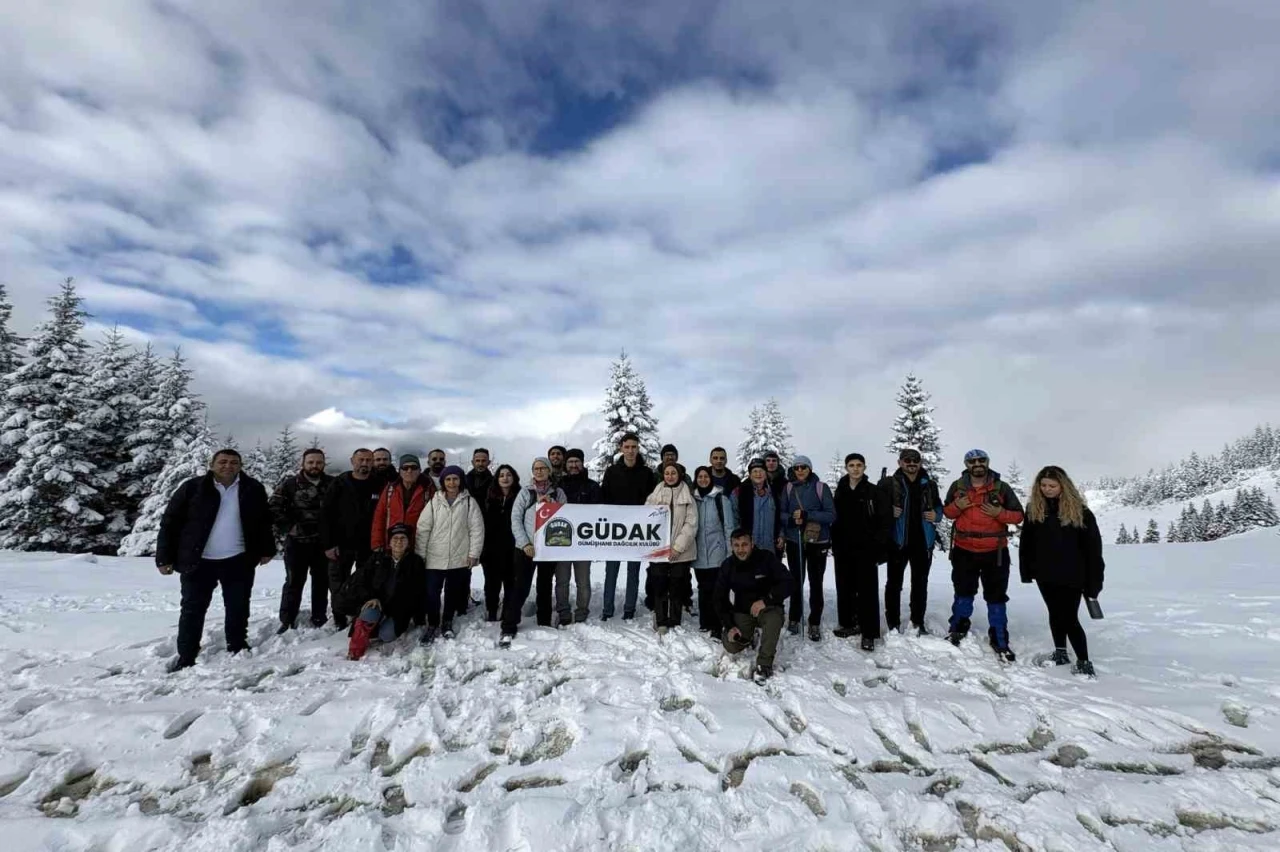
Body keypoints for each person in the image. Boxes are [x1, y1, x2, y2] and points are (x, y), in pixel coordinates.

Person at [156, 449, 276, 672]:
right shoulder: (192, 488)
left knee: (238, 606)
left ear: (240, 465)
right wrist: (164, 557)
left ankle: (237, 644)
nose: (228, 466)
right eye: (222, 462)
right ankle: (187, 654)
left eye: (234, 462)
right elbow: (170, 522)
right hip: (198, 561)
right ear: (211, 464)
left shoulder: (252, 488)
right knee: (193, 609)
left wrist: (267, 549)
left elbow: (263, 522)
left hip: (238, 559)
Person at [1019, 466, 1103, 677]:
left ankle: (1084, 662)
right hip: (1044, 574)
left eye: (1052, 486)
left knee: (1069, 617)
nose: (1047, 489)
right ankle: (1061, 652)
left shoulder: (1081, 512)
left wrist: (1094, 583)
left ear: (1063, 486)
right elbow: (1026, 543)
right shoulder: (1034, 509)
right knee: (1054, 613)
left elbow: (1093, 551)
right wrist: (1027, 570)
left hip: (1072, 575)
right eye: (1044, 485)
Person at [943, 449, 1025, 661]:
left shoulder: (1001, 488)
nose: (977, 464)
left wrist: (1000, 514)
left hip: (994, 551)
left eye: (981, 460)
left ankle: (999, 637)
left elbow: (1018, 516)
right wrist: (956, 506)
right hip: (964, 549)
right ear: (967, 464)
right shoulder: (957, 486)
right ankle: (958, 628)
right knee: (963, 591)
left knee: (996, 596)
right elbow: (947, 512)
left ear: (987, 462)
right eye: (972, 461)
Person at [502, 458, 568, 645]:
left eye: (542, 468)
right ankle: (509, 625)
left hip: (548, 548)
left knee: (545, 585)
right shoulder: (526, 492)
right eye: (535, 468)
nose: (539, 471)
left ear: (549, 471)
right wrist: (524, 544)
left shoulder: (558, 492)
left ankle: (544, 621)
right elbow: (515, 519)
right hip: (526, 549)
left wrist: (550, 504)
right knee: (520, 586)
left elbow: (565, 515)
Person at [878, 448, 944, 635]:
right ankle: (893, 623)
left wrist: (936, 515)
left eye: (915, 460)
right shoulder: (890, 483)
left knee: (920, 584)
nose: (911, 463)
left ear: (920, 463)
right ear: (900, 462)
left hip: (923, 543)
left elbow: (938, 506)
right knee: (894, 584)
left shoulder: (929, 484)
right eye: (907, 460)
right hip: (898, 543)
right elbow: (877, 506)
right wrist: (889, 511)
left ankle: (917, 621)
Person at [415, 465, 484, 642]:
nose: (452, 483)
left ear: (461, 480)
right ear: (443, 482)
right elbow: (423, 529)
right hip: (434, 557)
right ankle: (432, 624)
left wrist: (473, 553)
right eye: (448, 479)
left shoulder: (469, 502)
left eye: (455, 479)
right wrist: (420, 555)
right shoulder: (434, 502)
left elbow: (476, 529)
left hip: (458, 557)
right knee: (432, 593)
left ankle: (447, 622)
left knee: (452, 593)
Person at [339, 523, 427, 660]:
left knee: (386, 635)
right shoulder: (377, 559)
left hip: (398, 610)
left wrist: (414, 617)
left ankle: (379, 626)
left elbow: (417, 593)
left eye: (403, 538)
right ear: (389, 542)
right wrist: (370, 597)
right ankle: (356, 649)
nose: (399, 542)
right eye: (395, 538)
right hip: (376, 603)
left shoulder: (415, 563)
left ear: (409, 542)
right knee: (369, 613)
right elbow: (360, 581)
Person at [270, 447, 334, 632]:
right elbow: (273, 509)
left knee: (322, 582)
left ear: (324, 464)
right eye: (311, 462)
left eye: (319, 462)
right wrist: (290, 527)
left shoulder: (332, 484)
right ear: (303, 463)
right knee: (293, 582)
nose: (315, 466)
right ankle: (287, 619)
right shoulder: (290, 484)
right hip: (297, 543)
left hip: (323, 544)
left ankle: (319, 616)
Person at [831, 453, 891, 650]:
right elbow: (834, 519)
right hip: (843, 548)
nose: (855, 469)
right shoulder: (840, 491)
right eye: (851, 465)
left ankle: (869, 632)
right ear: (846, 468)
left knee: (867, 590)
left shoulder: (873, 491)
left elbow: (884, 521)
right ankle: (848, 623)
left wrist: (878, 547)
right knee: (845, 587)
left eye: (859, 465)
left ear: (864, 467)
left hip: (867, 548)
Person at [717, 530, 794, 681]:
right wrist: (729, 625)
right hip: (743, 611)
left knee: (773, 621)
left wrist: (766, 600)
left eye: (745, 544)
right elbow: (719, 598)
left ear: (752, 544)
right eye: (736, 545)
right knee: (731, 645)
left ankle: (764, 665)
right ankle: (749, 636)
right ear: (731, 546)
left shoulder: (766, 558)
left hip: (769, 608)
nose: (741, 549)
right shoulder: (728, 565)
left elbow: (789, 583)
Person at [321, 448, 382, 630]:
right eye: (361, 460)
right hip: (341, 544)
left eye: (368, 460)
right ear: (352, 461)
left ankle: (360, 615)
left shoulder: (378, 484)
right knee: (338, 582)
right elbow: (326, 515)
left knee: (366, 582)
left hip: (368, 544)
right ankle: (339, 616)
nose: (364, 463)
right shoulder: (339, 483)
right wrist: (329, 544)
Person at [778, 455, 836, 641]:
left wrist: (807, 515)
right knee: (796, 581)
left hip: (818, 542)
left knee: (816, 582)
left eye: (804, 467)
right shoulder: (788, 488)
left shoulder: (821, 488)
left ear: (810, 469)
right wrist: (791, 519)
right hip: (795, 541)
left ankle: (815, 621)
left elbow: (831, 515)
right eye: (797, 468)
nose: (800, 470)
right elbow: (781, 513)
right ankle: (794, 618)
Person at [599, 433, 656, 621]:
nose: (631, 451)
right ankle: (607, 609)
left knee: (633, 571)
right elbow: (604, 499)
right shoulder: (612, 472)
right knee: (611, 571)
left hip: (636, 531)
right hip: (614, 531)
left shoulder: (647, 473)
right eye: (627, 447)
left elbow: (652, 500)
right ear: (621, 448)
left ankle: (629, 609)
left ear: (638, 448)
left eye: (634, 447)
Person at [645, 462, 699, 633]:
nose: (670, 476)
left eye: (673, 473)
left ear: (679, 474)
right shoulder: (656, 492)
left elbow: (691, 524)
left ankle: (675, 620)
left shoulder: (687, 495)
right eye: (667, 473)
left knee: (677, 586)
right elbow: (646, 516)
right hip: (659, 550)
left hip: (681, 552)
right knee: (659, 585)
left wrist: (678, 548)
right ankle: (661, 620)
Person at [556, 449, 600, 625]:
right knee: (562, 580)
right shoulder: (558, 486)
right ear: (566, 465)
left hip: (583, 541)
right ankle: (563, 611)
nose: (573, 465)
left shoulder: (592, 486)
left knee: (583, 581)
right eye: (570, 462)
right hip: (561, 541)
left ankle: (582, 610)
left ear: (582, 464)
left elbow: (599, 512)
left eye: (577, 462)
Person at [691, 465, 736, 636]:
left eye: (706, 476)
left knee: (718, 590)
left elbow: (729, 527)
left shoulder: (720, 499)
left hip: (717, 552)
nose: (703, 480)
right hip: (699, 553)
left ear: (711, 478)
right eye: (700, 477)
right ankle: (705, 622)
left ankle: (719, 623)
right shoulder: (693, 500)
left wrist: (730, 552)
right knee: (703, 588)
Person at [480, 464, 520, 621]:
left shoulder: (521, 496)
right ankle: (491, 610)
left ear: (514, 477)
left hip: (513, 546)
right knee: (491, 582)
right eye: (501, 475)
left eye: (508, 475)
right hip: (491, 547)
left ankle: (507, 609)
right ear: (497, 478)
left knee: (511, 581)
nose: (505, 478)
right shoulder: (488, 497)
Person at [370, 454, 433, 551]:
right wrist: (377, 543)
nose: (409, 471)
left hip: (418, 544)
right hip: (393, 543)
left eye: (414, 467)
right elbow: (379, 516)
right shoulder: (390, 489)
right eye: (405, 468)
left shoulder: (428, 490)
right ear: (399, 471)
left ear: (420, 470)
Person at [733, 459, 785, 555]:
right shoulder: (741, 492)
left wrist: (781, 534)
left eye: (761, 471)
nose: (758, 474)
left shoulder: (774, 492)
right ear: (750, 474)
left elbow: (780, 515)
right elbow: (735, 517)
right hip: (749, 546)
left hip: (770, 545)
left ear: (766, 473)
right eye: (755, 471)